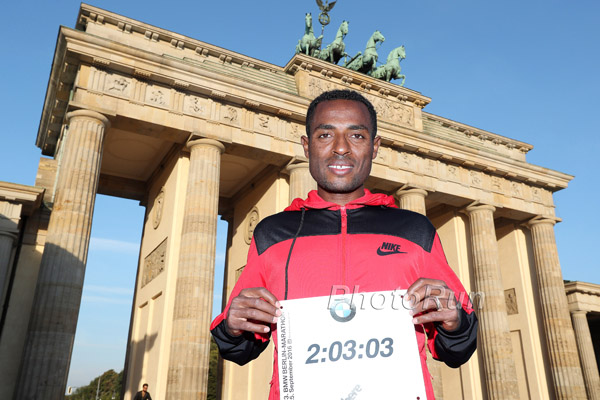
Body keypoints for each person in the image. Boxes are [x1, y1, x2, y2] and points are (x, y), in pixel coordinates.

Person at [210, 89, 477, 399]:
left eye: (357, 136)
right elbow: (240, 349)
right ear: (307, 146)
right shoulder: (272, 234)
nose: (340, 149)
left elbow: (458, 349)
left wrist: (454, 321)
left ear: (375, 147)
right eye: (325, 135)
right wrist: (233, 327)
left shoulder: (415, 231)